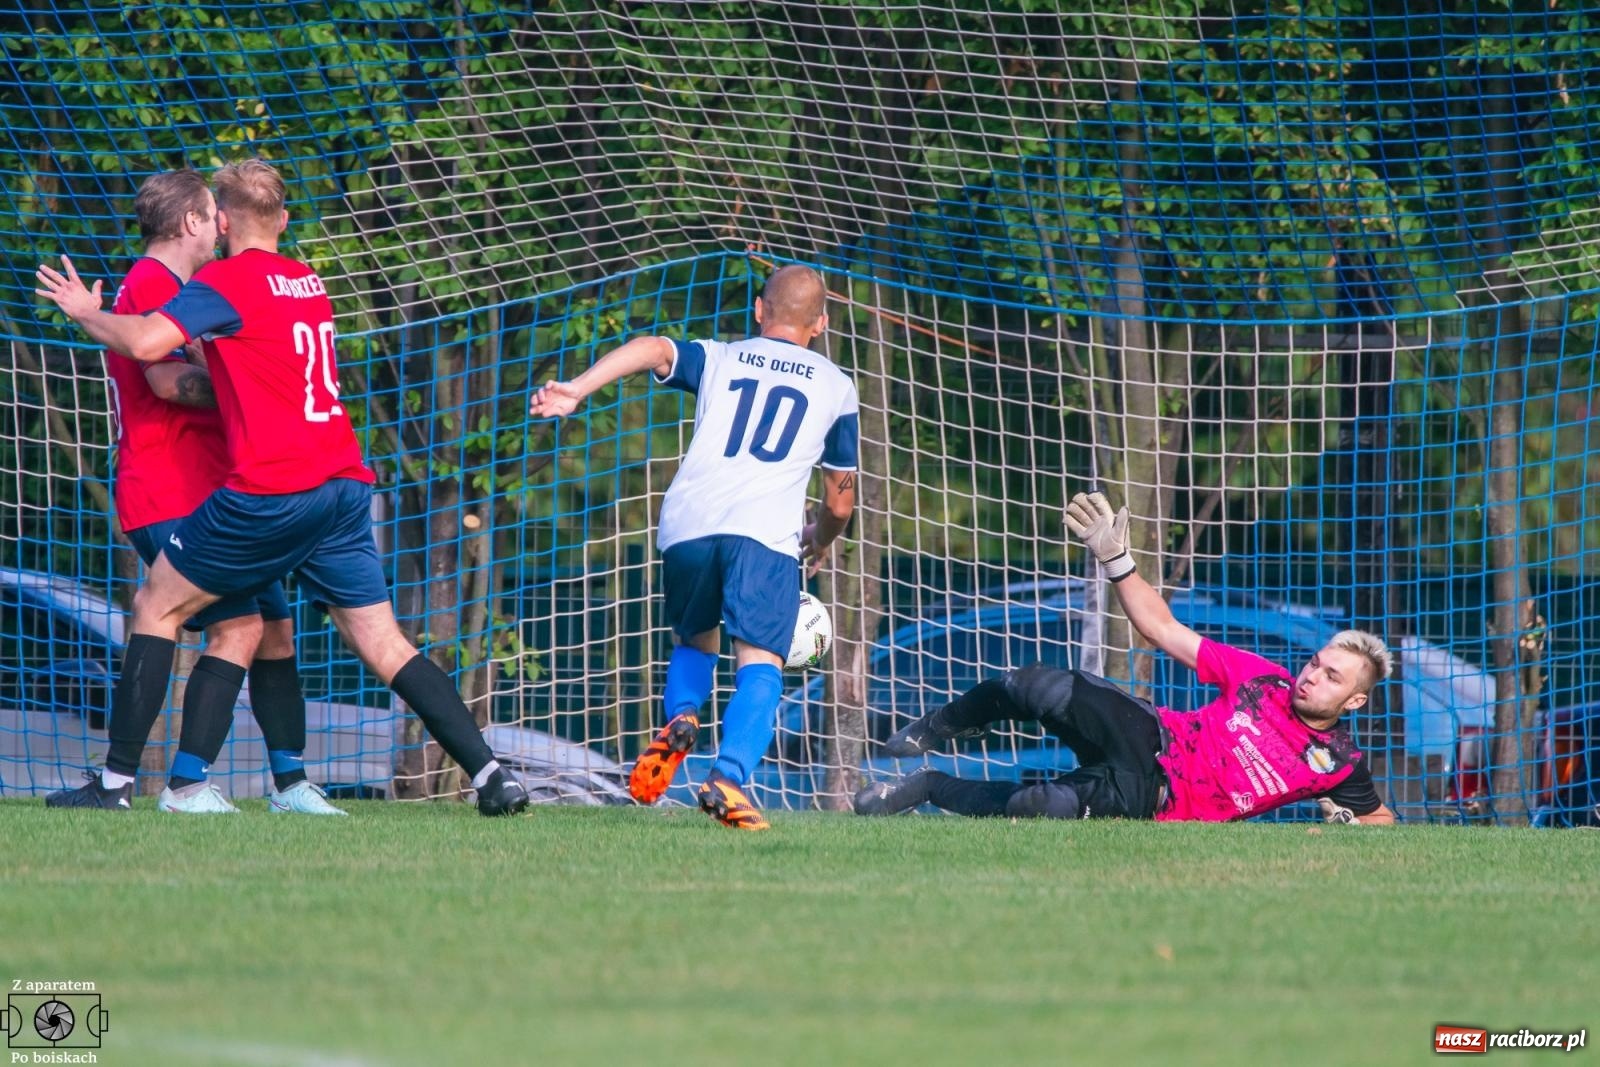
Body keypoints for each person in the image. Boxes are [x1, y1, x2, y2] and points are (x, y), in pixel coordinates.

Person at [35, 158, 527, 817]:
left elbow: (152, 344)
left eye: (218, 212)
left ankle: (123, 785)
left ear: (227, 220)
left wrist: (86, 314)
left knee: (159, 605)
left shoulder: (225, 282)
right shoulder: (309, 281)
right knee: (376, 640)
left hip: (270, 489)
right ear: (285, 220)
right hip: (343, 484)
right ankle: (491, 773)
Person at [44, 170, 342, 815]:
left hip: (219, 491)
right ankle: (166, 784)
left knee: (274, 631)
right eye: (213, 214)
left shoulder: (187, 288)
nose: (222, 224)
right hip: (171, 490)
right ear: (191, 224)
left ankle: (288, 784)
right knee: (238, 626)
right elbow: (165, 382)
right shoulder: (153, 284)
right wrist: (260, 391)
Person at [529, 264, 858, 830]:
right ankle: (728, 778)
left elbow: (653, 347)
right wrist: (819, 539)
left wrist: (577, 389)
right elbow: (839, 504)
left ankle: (681, 718)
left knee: (695, 638)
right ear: (822, 324)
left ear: (759, 310)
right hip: (764, 536)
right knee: (760, 662)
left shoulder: (720, 357)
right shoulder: (835, 387)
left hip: (686, 524)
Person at [854, 491, 1398, 825]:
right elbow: (1162, 628)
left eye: (1331, 676)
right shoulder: (1264, 681)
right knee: (1035, 686)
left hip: (1151, 799)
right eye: (1315, 663)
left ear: (1354, 699)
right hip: (1150, 735)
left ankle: (924, 787)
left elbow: (1382, 820)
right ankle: (941, 724)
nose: (1311, 676)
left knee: (1038, 808)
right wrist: (1115, 558)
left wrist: (1347, 817)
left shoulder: (1340, 762)